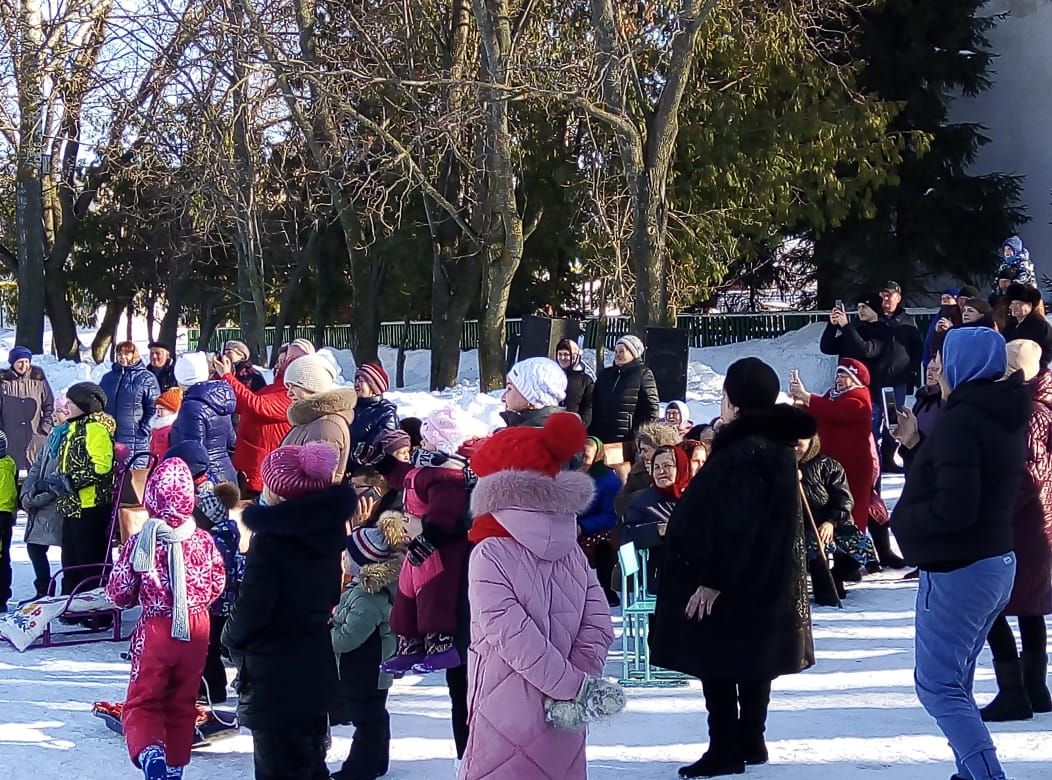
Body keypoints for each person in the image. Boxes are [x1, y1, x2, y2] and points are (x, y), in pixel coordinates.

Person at [651, 357, 816, 779]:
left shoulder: (744, 450)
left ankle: (725, 747)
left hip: (735, 578)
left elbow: (736, 522)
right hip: (765, 577)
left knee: (719, 660)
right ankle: (751, 738)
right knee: (753, 657)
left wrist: (712, 580)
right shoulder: (774, 444)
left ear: (736, 400)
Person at [891, 327, 1029, 780]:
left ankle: (986, 775)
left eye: (941, 359)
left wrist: (903, 523)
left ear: (961, 366)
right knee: (957, 681)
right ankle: (972, 772)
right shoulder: (997, 411)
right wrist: (916, 448)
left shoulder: (962, 419)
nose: (935, 367)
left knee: (938, 687)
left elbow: (955, 506)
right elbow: (959, 477)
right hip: (993, 561)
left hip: (959, 568)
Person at [459, 412, 618, 780]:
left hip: (504, 711)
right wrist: (576, 685)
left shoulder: (489, 553)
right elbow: (598, 623)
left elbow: (512, 637)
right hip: (567, 715)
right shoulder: (572, 548)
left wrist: (569, 686)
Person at [222, 441, 354, 779]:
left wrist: (230, 634)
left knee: (279, 763)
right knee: (309, 757)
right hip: (314, 655)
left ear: (279, 493)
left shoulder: (271, 542)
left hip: (275, 668)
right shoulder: (330, 525)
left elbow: (253, 606)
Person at [106, 458, 226, 780]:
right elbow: (217, 583)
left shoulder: (142, 540)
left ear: (152, 497)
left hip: (157, 628)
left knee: (144, 700)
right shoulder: (202, 540)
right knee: (183, 700)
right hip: (197, 626)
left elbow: (119, 592)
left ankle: (152, 754)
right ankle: (174, 767)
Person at [979, 340, 1052, 722]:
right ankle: (1034, 687)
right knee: (1028, 606)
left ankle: (1015, 691)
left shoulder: (1029, 410)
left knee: (994, 604)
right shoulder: (1033, 404)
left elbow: (1029, 473)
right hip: (1034, 523)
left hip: (1023, 525)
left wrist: (996, 512)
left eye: (1006, 362)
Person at [383, 407, 474, 675]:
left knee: (435, 597)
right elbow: (402, 477)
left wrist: (429, 536)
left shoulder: (447, 475)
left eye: (428, 437)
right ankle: (408, 646)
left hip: (437, 550)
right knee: (406, 595)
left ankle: (441, 646)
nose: (421, 442)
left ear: (443, 440)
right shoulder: (422, 468)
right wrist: (383, 462)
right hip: (417, 547)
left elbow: (446, 512)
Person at [162, 441, 243, 705]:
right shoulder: (223, 533)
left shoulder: (214, 540)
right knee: (209, 649)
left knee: (207, 650)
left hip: (213, 604)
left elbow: (213, 574)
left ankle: (211, 691)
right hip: (218, 603)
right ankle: (207, 688)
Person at [330, 515, 407, 780]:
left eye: (347, 555)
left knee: (366, 718)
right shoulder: (364, 589)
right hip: (370, 667)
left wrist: (327, 634)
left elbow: (349, 637)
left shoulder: (368, 597)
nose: (342, 559)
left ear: (361, 562)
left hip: (364, 667)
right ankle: (377, 761)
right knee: (374, 714)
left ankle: (359, 769)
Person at [210, 342, 310, 499]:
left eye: (290, 359)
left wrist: (227, 376)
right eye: (281, 359)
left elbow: (257, 406)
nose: (281, 363)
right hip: (248, 470)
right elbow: (241, 404)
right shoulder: (274, 387)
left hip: (262, 474)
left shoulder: (291, 395)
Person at [789, 358, 877, 533]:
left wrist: (808, 397)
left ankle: (854, 545)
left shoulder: (860, 396)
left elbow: (836, 412)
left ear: (856, 378)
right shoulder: (832, 395)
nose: (839, 378)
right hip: (832, 465)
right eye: (838, 374)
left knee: (852, 508)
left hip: (854, 465)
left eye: (845, 374)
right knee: (832, 505)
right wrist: (802, 404)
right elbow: (821, 412)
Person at [796, 434, 878, 607]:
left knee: (863, 547)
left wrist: (831, 522)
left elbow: (844, 500)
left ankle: (837, 575)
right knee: (817, 547)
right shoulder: (783, 469)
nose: (795, 449)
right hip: (804, 527)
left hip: (835, 523)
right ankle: (824, 588)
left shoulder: (829, 466)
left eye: (799, 444)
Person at [54, 382, 116, 597]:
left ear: (85, 405)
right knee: (70, 556)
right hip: (71, 505)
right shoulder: (72, 428)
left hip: (90, 505)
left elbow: (103, 466)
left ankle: (95, 608)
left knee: (89, 557)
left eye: (71, 402)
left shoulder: (95, 429)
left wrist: (74, 480)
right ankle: (71, 602)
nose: (66, 406)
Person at [20, 396, 71, 601]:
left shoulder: (69, 438)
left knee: (63, 548)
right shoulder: (52, 436)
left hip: (56, 503)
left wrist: (39, 495)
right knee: (35, 546)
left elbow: (61, 476)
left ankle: (60, 592)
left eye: (57, 411)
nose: (53, 415)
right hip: (41, 499)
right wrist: (29, 489)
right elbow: (36, 466)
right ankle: (44, 589)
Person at [588, 335, 660, 479]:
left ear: (633, 353)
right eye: (616, 351)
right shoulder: (605, 375)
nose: (618, 355)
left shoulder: (643, 374)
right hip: (600, 437)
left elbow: (652, 408)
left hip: (626, 439)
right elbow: (593, 403)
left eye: (622, 351)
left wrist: (639, 436)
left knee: (620, 478)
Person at [281, 353, 357, 484]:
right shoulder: (310, 419)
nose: (289, 393)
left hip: (299, 504)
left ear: (313, 384)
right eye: (288, 386)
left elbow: (315, 484)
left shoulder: (326, 425)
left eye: (295, 385)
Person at [624, 445, 691, 592]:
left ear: (680, 467)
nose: (661, 472)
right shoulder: (643, 502)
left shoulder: (696, 498)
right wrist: (658, 530)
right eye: (657, 467)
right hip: (662, 578)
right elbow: (627, 537)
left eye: (667, 466)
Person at [169, 353, 237, 485]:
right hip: (226, 473)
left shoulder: (191, 408)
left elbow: (194, 453)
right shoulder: (218, 401)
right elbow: (231, 440)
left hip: (207, 481)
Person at [878, 281, 924, 461]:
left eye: (889, 295)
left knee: (893, 418)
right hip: (875, 378)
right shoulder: (874, 318)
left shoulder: (907, 320)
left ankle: (889, 456)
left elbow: (917, 348)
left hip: (897, 379)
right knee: (873, 417)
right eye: (883, 295)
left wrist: (910, 370)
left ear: (898, 298)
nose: (886, 299)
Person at [577, 437, 622, 606]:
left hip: (598, 529)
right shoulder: (571, 473)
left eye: (585, 456)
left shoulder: (607, 480)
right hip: (571, 525)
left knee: (603, 545)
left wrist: (582, 526)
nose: (581, 459)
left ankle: (606, 590)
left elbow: (610, 515)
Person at [0, 345, 55, 473]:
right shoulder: (3, 382)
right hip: (10, 439)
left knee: (36, 474)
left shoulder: (39, 380)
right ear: (13, 362)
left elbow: (50, 407)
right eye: (20, 362)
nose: (23, 365)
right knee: (10, 476)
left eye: (26, 362)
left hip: (36, 438)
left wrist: (45, 428)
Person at [100, 342, 161, 456]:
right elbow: (99, 402)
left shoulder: (146, 378)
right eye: (119, 354)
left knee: (133, 472)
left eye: (126, 354)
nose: (122, 357)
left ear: (134, 354)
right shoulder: (108, 378)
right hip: (109, 437)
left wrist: (144, 429)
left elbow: (154, 407)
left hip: (135, 440)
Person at [614, 422, 682, 518]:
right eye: (640, 450)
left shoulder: (681, 470)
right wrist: (648, 492)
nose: (641, 455)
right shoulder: (638, 471)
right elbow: (620, 505)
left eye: (646, 450)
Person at [348, 362, 399, 471]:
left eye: (361, 381)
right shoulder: (350, 407)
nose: (356, 384)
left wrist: (349, 457)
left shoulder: (386, 413)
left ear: (373, 385)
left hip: (364, 475)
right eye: (356, 380)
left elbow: (378, 449)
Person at [501, 357, 568, 428]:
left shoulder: (528, 436)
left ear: (532, 399)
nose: (503, 398)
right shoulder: (555, 429)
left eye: (509, 389)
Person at [1003, 283, 1052, 368]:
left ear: (1029, 305)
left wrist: (1040, 367)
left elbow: (1048, 350)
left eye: (1018, 304)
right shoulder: (1010, 324)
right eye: (1012, 303)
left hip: (1032, 369)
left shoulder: (1041, 326)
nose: (1013, 307)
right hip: (1010, 368)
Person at [556, 338, 594, 426]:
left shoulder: (586, 381)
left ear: (575, 356)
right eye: (560, 354)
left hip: (572, 428)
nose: (562, 358)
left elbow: (588, 408)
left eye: (566, 354)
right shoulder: (550, 375)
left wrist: (579, 427)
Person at [923, 289, 963, 371]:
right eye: (942, 298)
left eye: (948, 298)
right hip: (938, 361)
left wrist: (951, 328)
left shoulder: (960, 317)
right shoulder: (938, 317)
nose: (944, 301)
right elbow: (929, 341)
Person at [0, 432, 17, 611]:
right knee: (4, 558)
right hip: (6, 516)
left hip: (1, 514)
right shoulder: (10, 463)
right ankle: (3, 597)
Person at [149, 388, 182, 462]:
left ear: (172, 410)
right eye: (157, 409)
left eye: (162, 409)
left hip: (166, 465)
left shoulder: (173, 429)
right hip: (154, 465)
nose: (158, 412)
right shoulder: (155, 428)